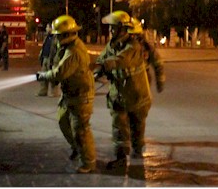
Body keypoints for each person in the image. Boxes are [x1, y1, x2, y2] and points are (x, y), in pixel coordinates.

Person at [35, 15, 97, 173]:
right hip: (70, 94)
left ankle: (88, 162)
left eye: (58, 35)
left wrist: (43, 76)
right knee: (63, 121)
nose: (55, 38)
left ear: (66, 34)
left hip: (81, 96)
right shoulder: (68, 47)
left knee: (81, 130)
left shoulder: (74, 51)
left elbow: (59, 73)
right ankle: (77, 148)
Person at [94, 11, 152, 169]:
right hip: (118, 96)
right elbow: (102, 58)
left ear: (123, 29)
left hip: (137, 97)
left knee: (137, 128)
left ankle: (138, 149)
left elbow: (120, 60)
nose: (111, 31)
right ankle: (120, 156)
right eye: (110, 28)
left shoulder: (133, 46)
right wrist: (95, 70)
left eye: (113, 28)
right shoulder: (111, 45)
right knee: (118, 127)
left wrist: (103, 66)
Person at [128, 17, 165, 93]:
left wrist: (160, 81)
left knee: (141, 102)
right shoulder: (121, 46)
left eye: (133, 35)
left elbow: (158, 63)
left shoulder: (146, 47)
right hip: (125, 83)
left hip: (142, 81)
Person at [37, 24, 61, 97]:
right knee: (43, 75)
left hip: (52, 59)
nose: (46, 29)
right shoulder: (47, 37)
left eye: (47, 27)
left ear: (51, 28)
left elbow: (58, 50)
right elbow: (44, 47)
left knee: (52, 77)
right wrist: (40, 55)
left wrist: (56, 60)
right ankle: (43, 91)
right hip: (45, 58)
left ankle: (54, 92)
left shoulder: (56, 38)